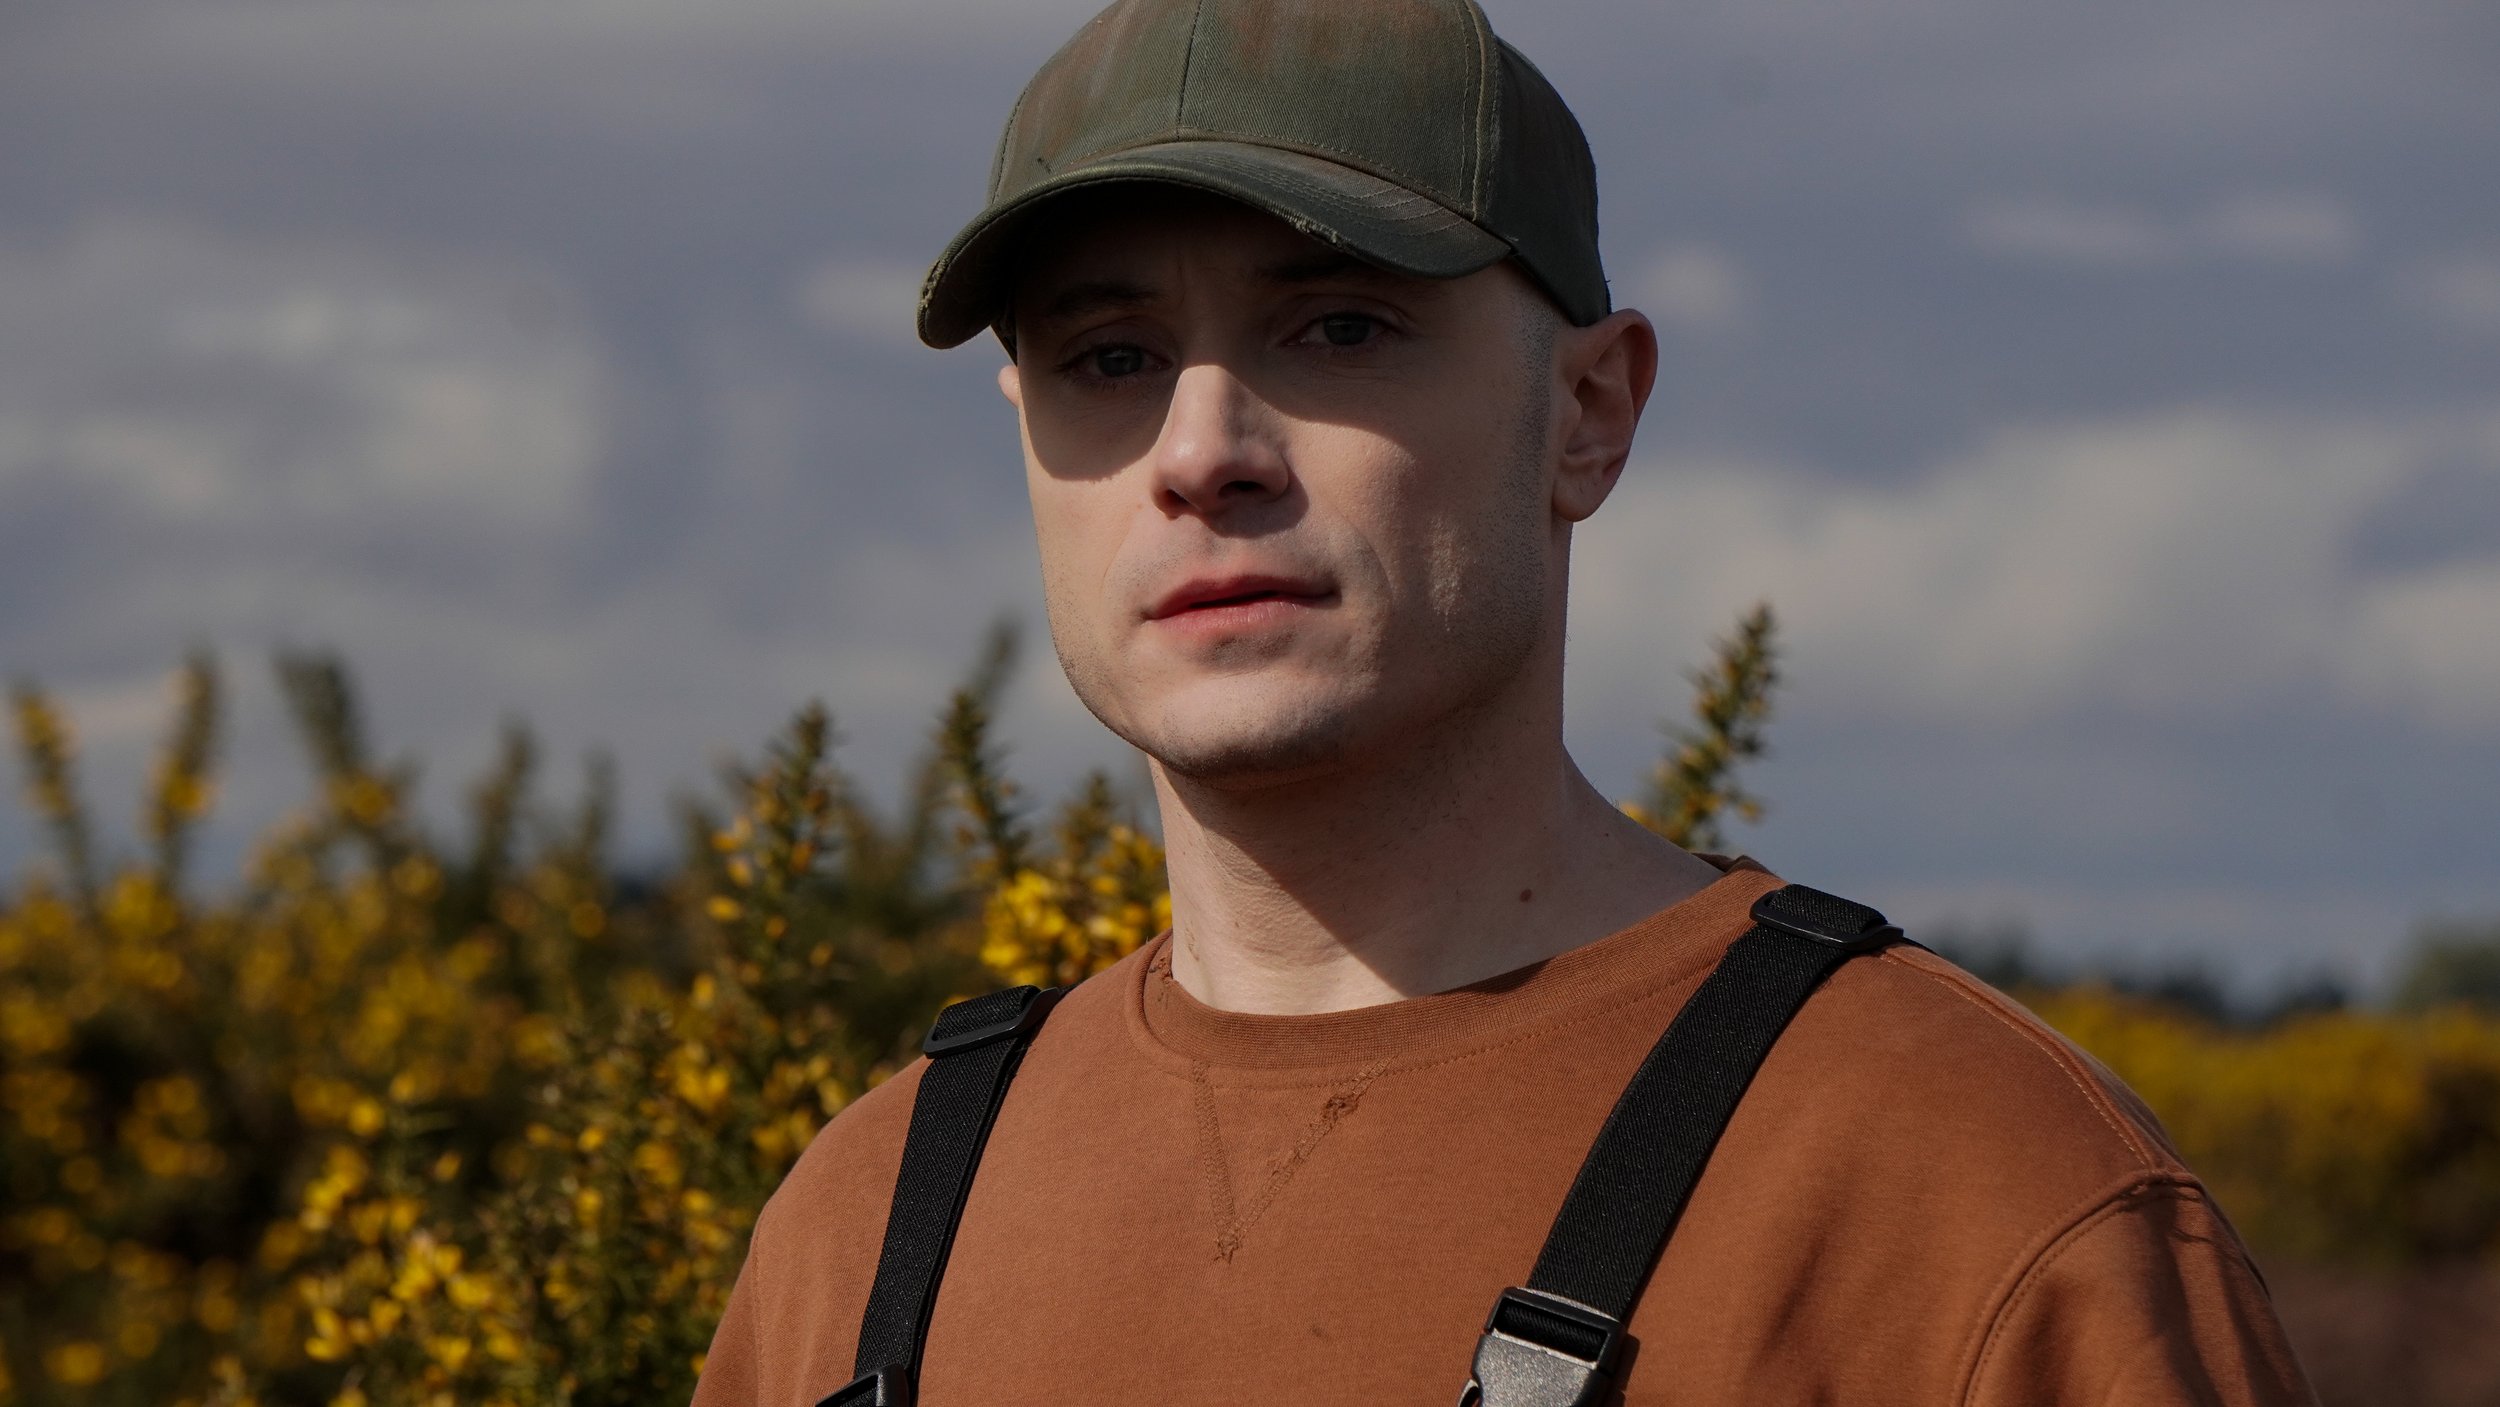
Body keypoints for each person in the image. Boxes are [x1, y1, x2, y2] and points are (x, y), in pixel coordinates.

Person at [692, 1, 2318, 1402]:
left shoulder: (1964, 1201)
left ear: (1590, 412)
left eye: (1338, 325)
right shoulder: (861, 1233)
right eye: (1105, 360)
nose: (1200, 454)